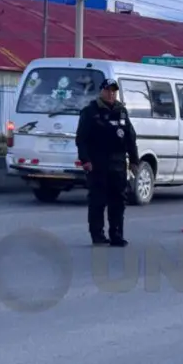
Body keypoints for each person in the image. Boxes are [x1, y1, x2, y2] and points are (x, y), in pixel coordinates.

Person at [76, 78, 140, 247]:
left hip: (118, 164)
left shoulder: (121, 111)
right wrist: (85, 160)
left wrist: (134, 160)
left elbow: (130, 137)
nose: (111, 93)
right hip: (97, 163)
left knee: (118, 200)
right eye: (108, 90)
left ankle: (116, 235)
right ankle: (97, 235)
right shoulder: (90, 112)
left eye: (114, 91)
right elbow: (81, 139)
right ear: (101, 91)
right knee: (97, 200)